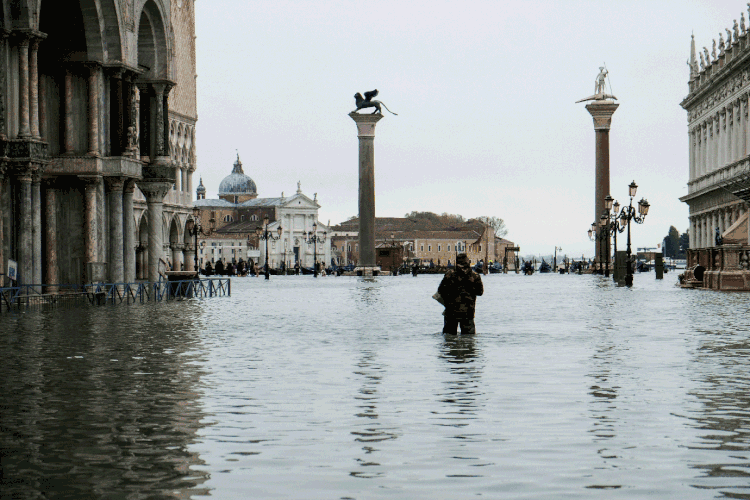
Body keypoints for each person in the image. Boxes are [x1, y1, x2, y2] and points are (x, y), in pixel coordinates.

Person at [437, 253, 483, 335]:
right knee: (469, 339)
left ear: (456, 263)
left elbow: (440, 291)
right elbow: (480, 292)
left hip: (451, 311)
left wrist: (448, 300)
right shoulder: (475, 276)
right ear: (468, 262)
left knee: (449, 338)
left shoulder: (449, 275)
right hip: (468, 311)